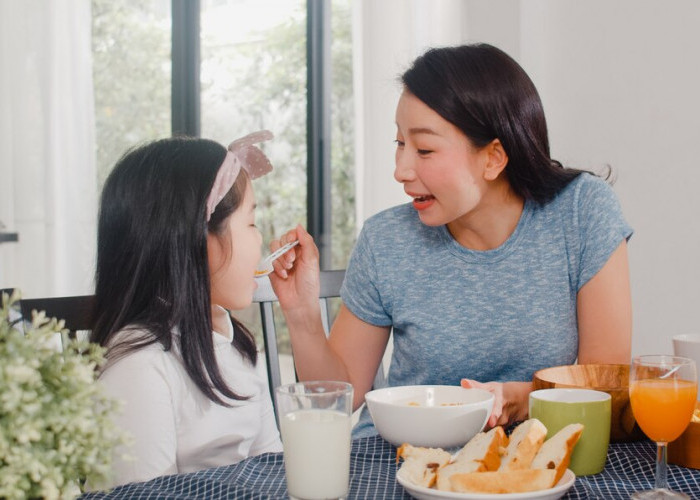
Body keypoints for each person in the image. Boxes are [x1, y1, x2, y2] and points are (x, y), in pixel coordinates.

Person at [268, 43, 632, 438]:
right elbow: (344, 396)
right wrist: (301, 314)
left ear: (493, 157)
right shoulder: (385, 239)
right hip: (393, 456)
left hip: (536, 456)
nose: (401, 170)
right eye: (400, 144)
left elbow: (605, 384)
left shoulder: (582, 211)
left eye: (424, 149)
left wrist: (525, 398)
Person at [89, 131, 282, 487]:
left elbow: (270, 467)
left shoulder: (235, 341)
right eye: (251, 223)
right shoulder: (140, 365)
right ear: (196, 238)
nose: (260, 239)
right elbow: (138, 496)